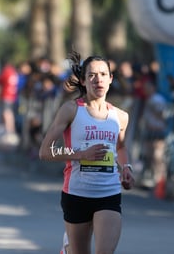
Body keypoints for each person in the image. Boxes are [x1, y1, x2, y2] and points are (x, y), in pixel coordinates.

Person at [39, 51, 134, 254]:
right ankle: (68, 248)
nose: (97, 79)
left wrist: (126, 167)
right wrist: (81, 154)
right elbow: (45, 152)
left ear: (110, 79)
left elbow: (121, 147)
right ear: (83, 80)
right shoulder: (71, 110)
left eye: (102, 74)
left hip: (109, 193)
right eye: (91, 75)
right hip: (77, 193)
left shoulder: (120, 116)